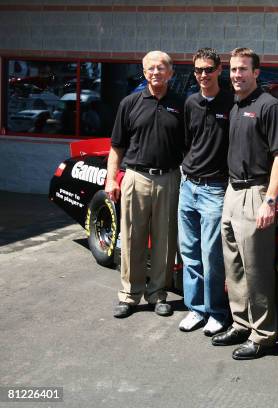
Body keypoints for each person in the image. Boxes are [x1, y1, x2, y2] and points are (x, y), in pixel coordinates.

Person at [212, 48, 278, 360]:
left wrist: (269, 200)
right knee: (234, 265)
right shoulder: (234, 105)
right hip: (232, 192)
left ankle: (264, 334)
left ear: (257, 72)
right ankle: (241, 322)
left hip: (256, 193)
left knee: (256, 269)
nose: (236, 75)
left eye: (243, 69)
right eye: (232, 70)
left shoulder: (269, 106)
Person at [106, 51, 184, 318]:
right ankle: (129, 295)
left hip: (169, 178)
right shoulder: (129, 103)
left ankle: (158, 294)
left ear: (170, 73)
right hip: (135, 177)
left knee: (165, 240)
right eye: (150, 68)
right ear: (144, 71)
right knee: (131, 237)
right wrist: (111, 179)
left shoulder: (181, 105)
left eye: (161, 68)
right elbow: (116, 147)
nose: (155, 72)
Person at [178, 48, 233, 334]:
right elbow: (188, 142)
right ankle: (195, 309)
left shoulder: (231, 103)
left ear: (219, 70)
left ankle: (217, 313)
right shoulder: (190, 103)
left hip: (214, 190)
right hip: (187, 186)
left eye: (208, 69)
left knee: (212, 257)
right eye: (198, 70)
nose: (202, 75)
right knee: (190, 253)